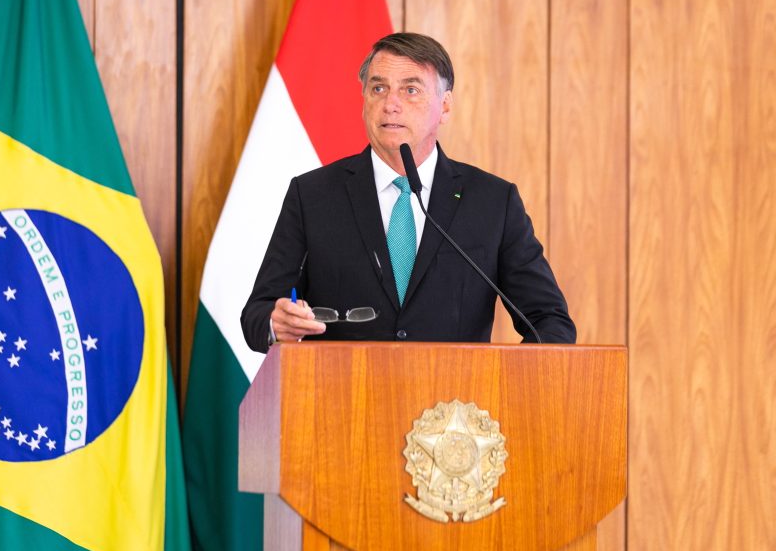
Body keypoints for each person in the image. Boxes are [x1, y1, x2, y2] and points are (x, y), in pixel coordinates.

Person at [240, 32, 576, 353]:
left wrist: (504, 382)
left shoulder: (492, 203)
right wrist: (275, 323)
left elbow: (550, 322)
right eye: (379, 88)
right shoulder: (313, 196)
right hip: (342, 390)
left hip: (455, 394)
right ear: (364, 100)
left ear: (445, 106)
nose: (390, 104)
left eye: (410, 90)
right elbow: (257, 314)